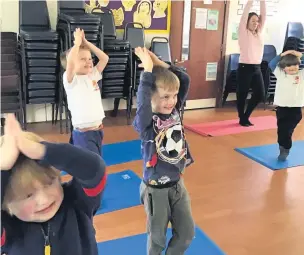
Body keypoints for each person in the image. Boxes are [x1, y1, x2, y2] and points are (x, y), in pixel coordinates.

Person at [0, 114, 107, 255]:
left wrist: (42, 151)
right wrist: (3, 167)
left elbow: (94, 170)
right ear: (6, 204)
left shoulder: (77, 201)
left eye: (49, 183)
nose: (44, 200)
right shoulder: (7, 226)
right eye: (28, 195)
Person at [133, 47, 195, 255]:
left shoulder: (175, 112)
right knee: (157, 239)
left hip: (177, 185)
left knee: (187, 233)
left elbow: (183, 78)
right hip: (155, 189)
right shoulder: (147, 122)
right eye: (165, 97)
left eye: (174, 96)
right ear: (152, 99)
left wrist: (158, 62)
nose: (171, 101)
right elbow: (142, 101)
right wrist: (148, 73)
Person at [60, 28, 109, 155]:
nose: (88, 61)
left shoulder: (92, 75)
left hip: (97, 130)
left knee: (87, 166)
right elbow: (70, 62)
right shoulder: (70, 80)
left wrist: (86, 43)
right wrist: (76, 44)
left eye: (89, 58)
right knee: (93, 167)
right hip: (83, 134)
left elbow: (104, 58)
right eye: (82, 59)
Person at [269, 50, 304, 160]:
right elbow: (272, 64)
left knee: (287, 131)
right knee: (281, 131)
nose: (292, 67)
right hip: (281, 109)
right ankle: (282, 148)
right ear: (283, 67)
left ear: (298, 65)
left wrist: (298, 54)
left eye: (294, 65)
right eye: (288, 65)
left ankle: (286, 148)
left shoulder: (301, 75)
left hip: (295, 110)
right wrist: (282, 54)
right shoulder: (280, 74)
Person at [237, 0, 266, 126]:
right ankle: (242, 118)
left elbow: (263, 15)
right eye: (252, 21)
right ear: (247, 22)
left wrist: (262, 1)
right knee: (242, 95)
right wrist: (250, 2)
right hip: (244, 68)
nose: (255, 23)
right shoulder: (243, 33)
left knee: (260, 94)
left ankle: (246, 116)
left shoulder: (258, 33)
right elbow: (244, 15)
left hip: (256, 68)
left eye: (257, 21)